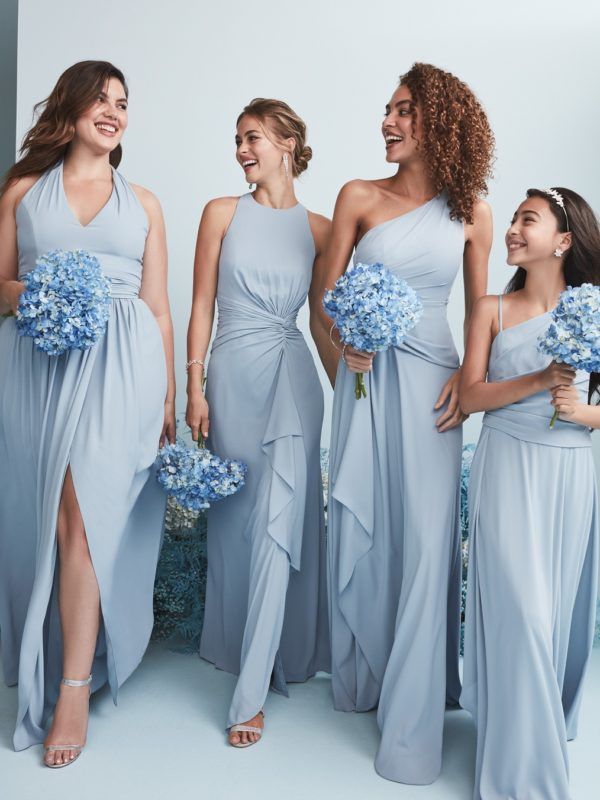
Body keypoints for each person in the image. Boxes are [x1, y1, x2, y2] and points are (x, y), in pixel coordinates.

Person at [316, 62, 494, 784]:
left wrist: (470, 379)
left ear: (440, 122)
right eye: (386, 111)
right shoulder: (358, 196)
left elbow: (481, 313)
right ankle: (367, 674)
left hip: (433, 392)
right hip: (365, 385)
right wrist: (346, 361)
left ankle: (416, 719)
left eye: (403, 111)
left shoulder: (473, 210)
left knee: (428, 544)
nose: (388, 122)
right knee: (371, 528)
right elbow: (323, 305)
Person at [0, 60, 176, 767]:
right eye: (101, 99)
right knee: (44, 514)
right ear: (71, 108)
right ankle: (47, 656)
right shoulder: (20, 193)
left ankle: (73, 685)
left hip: (123, 372)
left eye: (123, 103)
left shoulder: (148, 205)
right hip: (39, 368)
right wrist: (44, 293)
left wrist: (166, 398)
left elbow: (158, 309)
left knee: (86, 516)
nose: (113, 111)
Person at [186, 98, 330, 747]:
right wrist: (193, 383)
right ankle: (246, 644)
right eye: (237, 140)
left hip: (294, 379)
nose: (242, 149)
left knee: (282, 522)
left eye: (252, 137)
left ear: (288, 141)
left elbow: (325, 325)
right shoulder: (221, 212)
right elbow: (199, 306)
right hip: (232, 377)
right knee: (238, 523)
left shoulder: (322, 229)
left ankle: (252, 690)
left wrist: (358, 395)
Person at [460, 187, 600, 799]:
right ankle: (530, 775)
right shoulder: (491, 308)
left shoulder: (595, 309)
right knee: (518, 608)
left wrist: (585, 415)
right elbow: (470, 397)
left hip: (568, 470)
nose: (513, 230)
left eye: (528, 220)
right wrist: (541, 379)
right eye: (514, 219)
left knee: (548, 619)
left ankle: (529, 734)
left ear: (564, 241)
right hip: (506, 463)